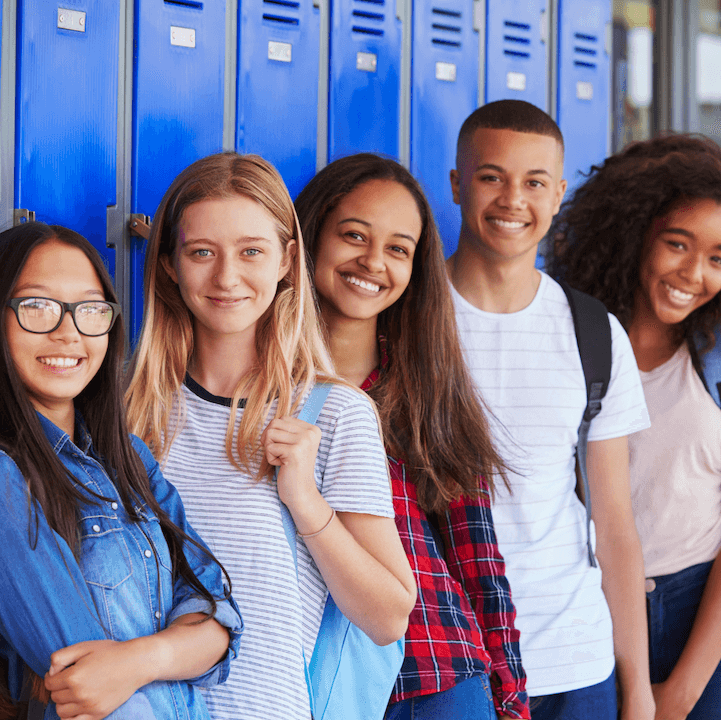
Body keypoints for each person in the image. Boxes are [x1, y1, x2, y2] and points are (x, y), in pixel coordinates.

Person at [125, 152, 417, 720]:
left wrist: (305, 502)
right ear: (168, 263)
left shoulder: (335, 414)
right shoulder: (128, 412)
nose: (226, 277)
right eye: (202, 252)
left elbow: (388, 617)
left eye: (251, 252)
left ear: (287, 260)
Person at [553, 135, 721, 720]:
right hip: (594, 613)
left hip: (715, 625)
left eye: (717, 258)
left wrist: (683, 689)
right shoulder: (568, 336)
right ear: (635, 236)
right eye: (677, 244)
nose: (694, 273)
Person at [296, 153, 529, 719]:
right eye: (353, 235)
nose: (373, 262)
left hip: (435, 678)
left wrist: (512, 699)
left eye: (398, 249)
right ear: (308, 239)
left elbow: (477, 560)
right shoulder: (258, 389)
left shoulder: (426, 390)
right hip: (308, 684)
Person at [446, 99, 655, 720]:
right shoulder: (407, 319)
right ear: (458, 184)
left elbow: (614, 523)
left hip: (576, 661)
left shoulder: (593, 330)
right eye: (492, 177)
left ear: (558, 193)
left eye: (534, 182)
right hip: (452, 663)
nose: (514, 199)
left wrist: (637, 685)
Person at [0, 222, 241, 720]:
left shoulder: (129, 459)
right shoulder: (6, 475)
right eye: (37, 306)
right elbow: (80, 678)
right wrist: (176, 650)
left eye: (90, 309)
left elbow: (220, 614)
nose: (68, 332)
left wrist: (139, 660)